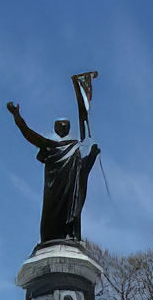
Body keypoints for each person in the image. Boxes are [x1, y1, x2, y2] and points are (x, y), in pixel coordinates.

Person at [7, 102, 100, 243]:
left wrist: (92, 154)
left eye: (65, 125)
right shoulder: (49, 144)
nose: (62, 127)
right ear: (55, 127)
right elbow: (28, 133)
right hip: (53, 187)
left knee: (72, 209)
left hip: (71, 187)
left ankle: (70, 234)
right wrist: (17, 116)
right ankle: (50, 239)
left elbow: (83, 168)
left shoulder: (76, 146)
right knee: (50, 216)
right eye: (59, 125)